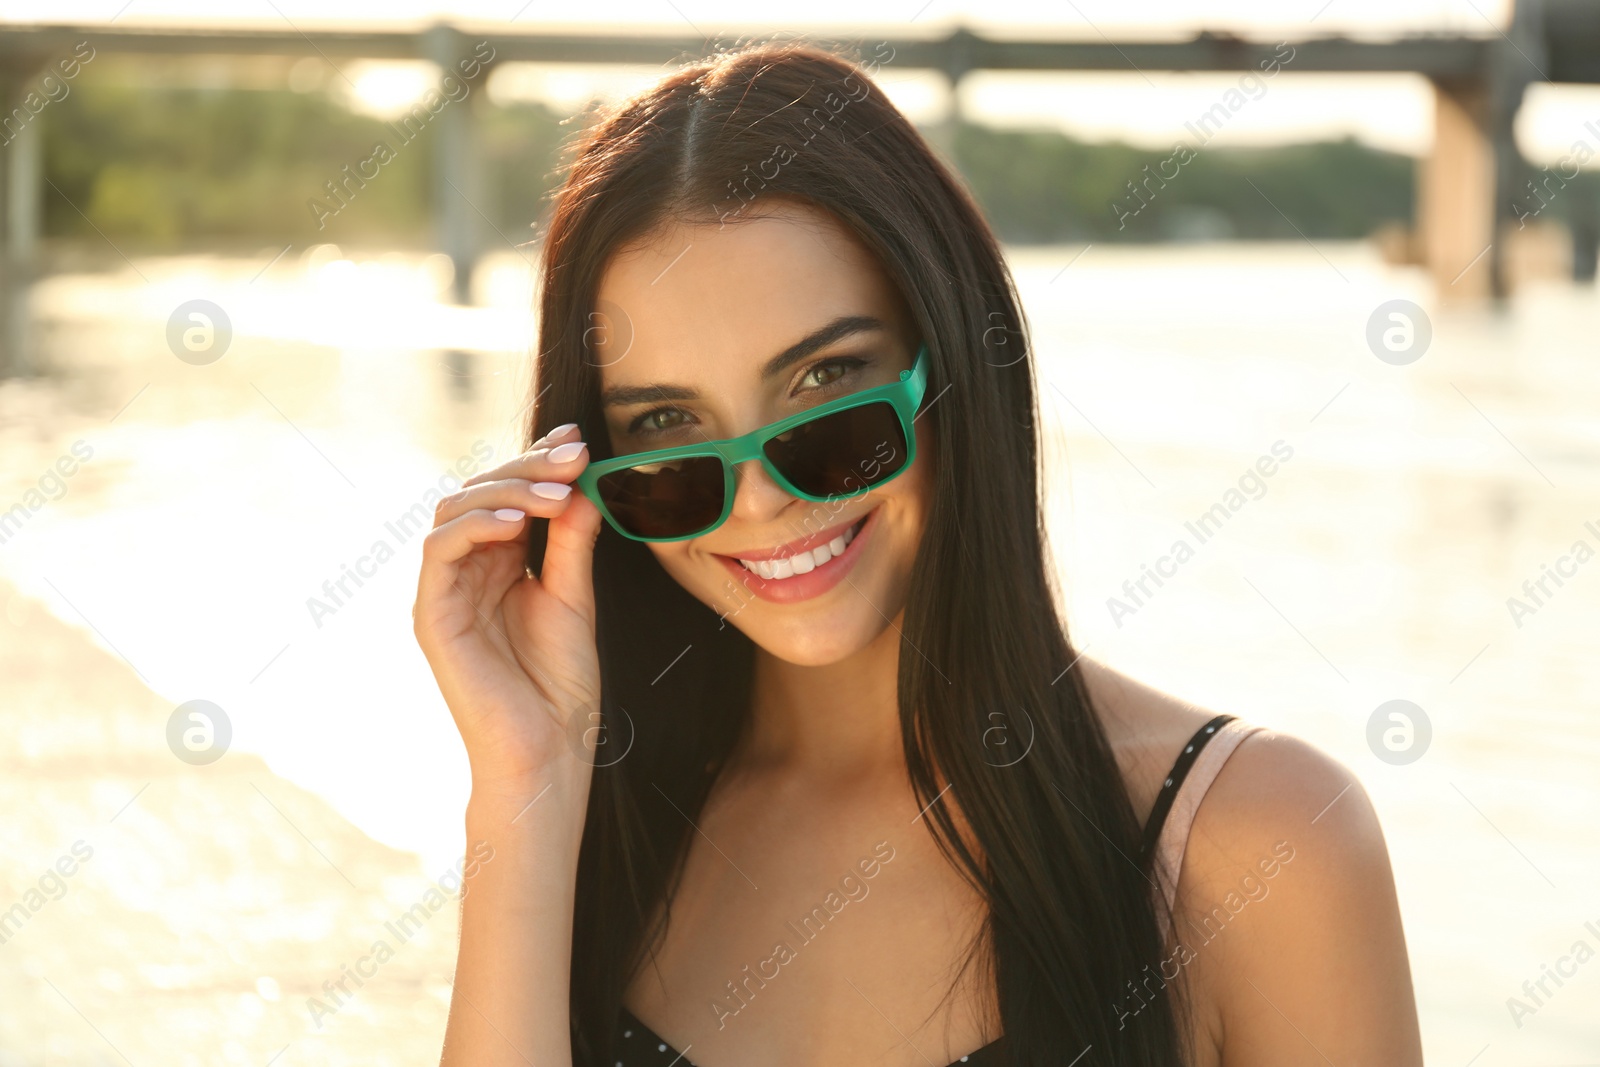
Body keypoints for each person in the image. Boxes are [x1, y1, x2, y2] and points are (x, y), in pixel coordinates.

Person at [412, 40, 1423, 1067]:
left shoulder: (1258, 841)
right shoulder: (598, 830)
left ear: (956, 365)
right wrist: (525, 782)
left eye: (825, 389)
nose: (759, 498)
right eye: (670, 428)